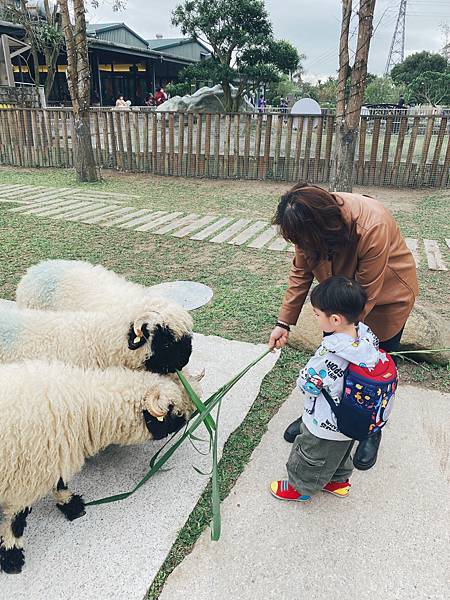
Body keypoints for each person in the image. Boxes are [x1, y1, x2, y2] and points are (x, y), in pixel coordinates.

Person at [268, 183, 418, 470]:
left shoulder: (373, 225)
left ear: (325, 228)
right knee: (333, 366)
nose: (303, 247)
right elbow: (300, 271)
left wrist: (345, 338)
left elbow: (366, 294)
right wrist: (283, 322)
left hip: (384, 300)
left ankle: (370, 430)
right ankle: (320, 417)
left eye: (306, 242)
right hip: (336, 305)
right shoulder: (305, 226)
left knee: (373, 373)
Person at [271, 276, 381, 502]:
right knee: (340, 451)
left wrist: (302, 379)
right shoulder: (365, 337)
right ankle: (338, 482)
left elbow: (309, 384)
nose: (316, 318)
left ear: (335, 319)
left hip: (325, 420)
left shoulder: (332, 353)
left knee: (311, 452)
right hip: (350, 417)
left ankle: (299, 487)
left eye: (317, 314)